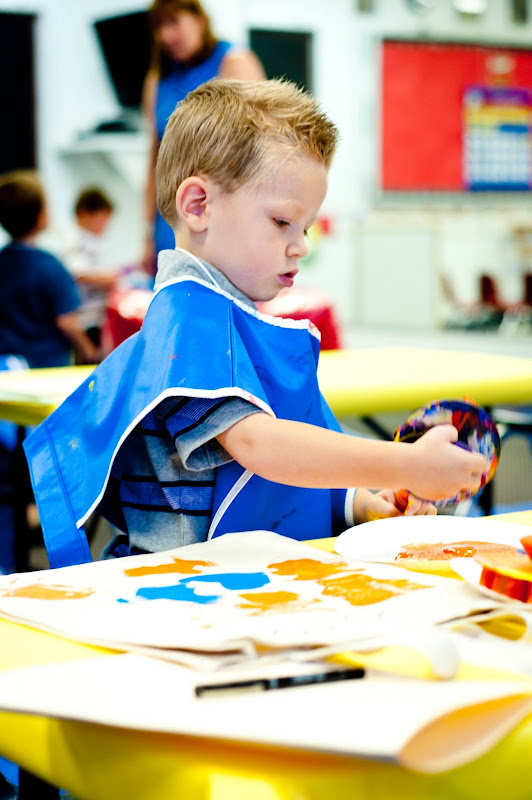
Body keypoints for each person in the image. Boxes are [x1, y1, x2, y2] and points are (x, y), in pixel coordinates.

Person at [23, 80, 488, 569]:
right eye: (282, 222)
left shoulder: (236, 318)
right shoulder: (188, 317)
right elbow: (259, 446)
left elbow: (285, 474)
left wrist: (359, 504)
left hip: (245, 576)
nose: (300, 245)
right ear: (198, 205)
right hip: (181, 588)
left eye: (305, 228)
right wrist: (407, 464)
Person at [142, 0, 265, 270]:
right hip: (170, 222)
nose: (165, 36)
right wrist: (146, 233)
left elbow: (262, 147)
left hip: (221, 217)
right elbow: (155, 160)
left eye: (174, 22)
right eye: (159, 27)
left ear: (199, 19)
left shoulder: (234, 62)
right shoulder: (157, 80)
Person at [0, 171, 99, 368]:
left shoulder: (3, 262)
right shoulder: (50, 266)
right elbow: (66, 321)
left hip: (7, 368)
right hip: (45, 370)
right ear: (41, 218)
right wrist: (90, 351)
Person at [61, 187, 118, 348]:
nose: (105, 226)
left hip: (95, 318)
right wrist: (110, 278)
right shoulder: (76, 240)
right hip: (85, 320)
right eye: (102, 220)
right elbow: (77, 273)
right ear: (84, 215)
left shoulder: (91, 242)